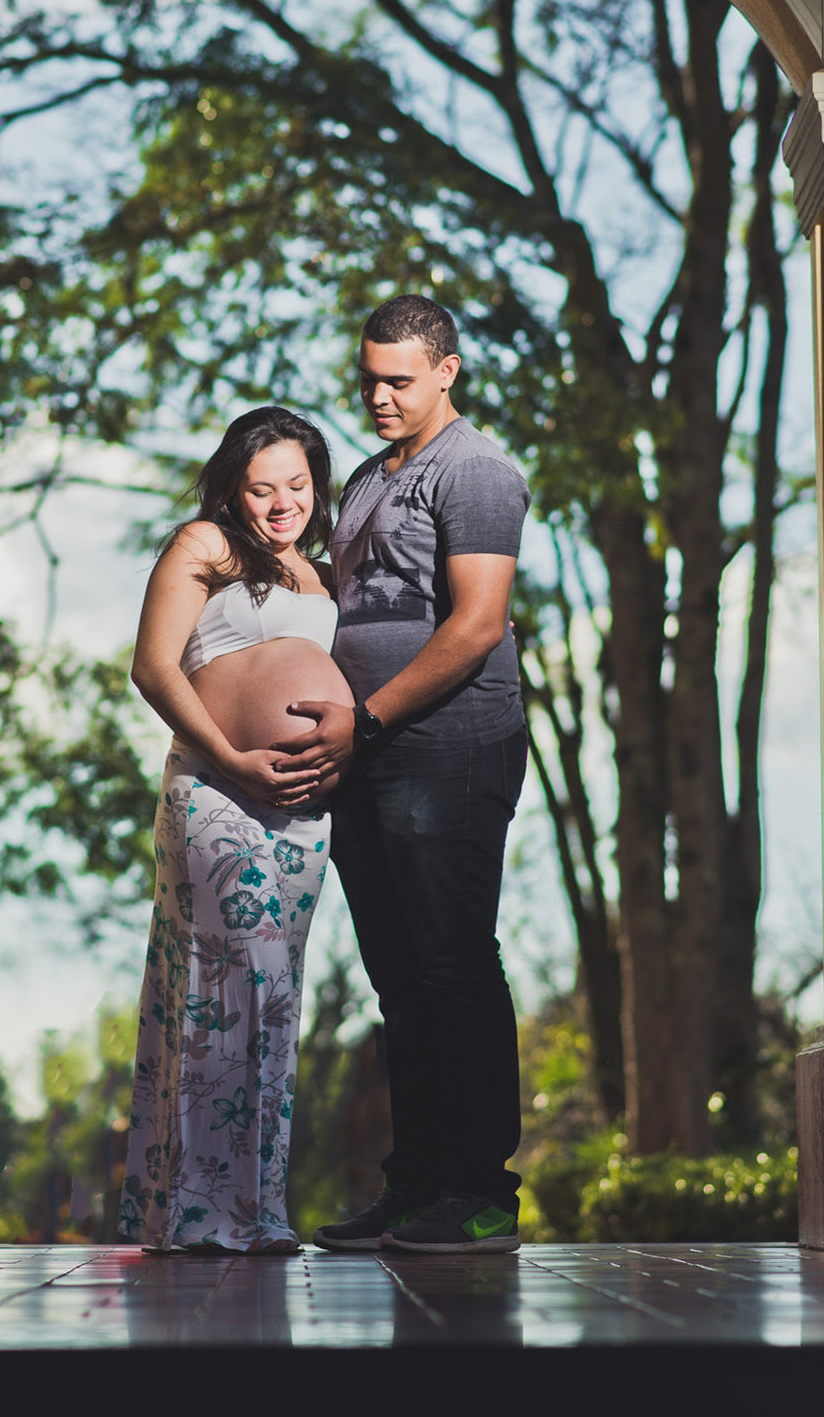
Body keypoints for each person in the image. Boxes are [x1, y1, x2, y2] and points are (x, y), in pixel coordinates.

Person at [275, 295, 531, 1255]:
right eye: (369, 379)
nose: (379, 397)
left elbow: (477, 624)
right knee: (398, 980)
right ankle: (417, 1186)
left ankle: (482, 1195)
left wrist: (369, 717)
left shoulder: (475, 471)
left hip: (449, 746)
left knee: (453, 963)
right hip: (366, 757)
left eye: (399, 380)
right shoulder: (368, 478)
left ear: (447, 371)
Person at [118, 405, 352, 1253]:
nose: (283, 503)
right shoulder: (206, 546)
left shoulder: (328, 574)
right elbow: (153, 666)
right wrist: (230, 756)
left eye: (298, 484)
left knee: (275, 997)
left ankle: (255, 1210)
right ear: (233, 489)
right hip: (215, 786)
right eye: (262, 488)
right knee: (233, 981)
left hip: (303, 812)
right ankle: (200, 1213)